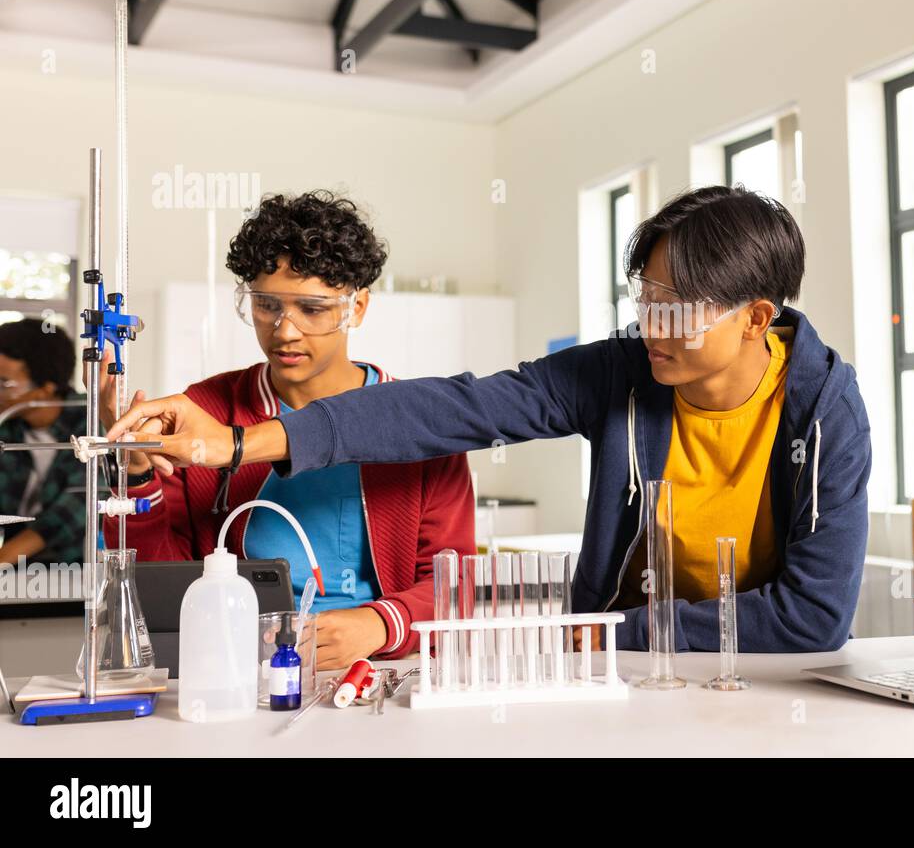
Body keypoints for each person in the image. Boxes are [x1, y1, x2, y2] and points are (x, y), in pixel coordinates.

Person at [110, 186, 872, 652]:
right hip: (630, 667)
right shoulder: (623, 370)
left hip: (760, 669)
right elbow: (464, 408)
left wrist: (602, 630)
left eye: (674, 308)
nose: (650, 325)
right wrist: (239, 441)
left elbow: (812, 618)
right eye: (645, 298)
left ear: (755, 318)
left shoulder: (826, 412)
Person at [103, 192, 475, 668]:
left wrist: (381, 624)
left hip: (381, 665)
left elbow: (455, 586)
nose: (284, 331)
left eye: (312, 309)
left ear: (356, 307)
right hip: (240, 666)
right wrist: (135, 473)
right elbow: (159, 582)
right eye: (266, 305)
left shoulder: (417, 423)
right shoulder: (207, 410)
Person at [0, 320, 86, 567]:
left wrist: (4, 558)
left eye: (4, 383)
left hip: (70, 571)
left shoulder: (89, 421)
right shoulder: (8, 426)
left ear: (45, 389)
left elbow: (77, 507)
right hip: (12, 572)